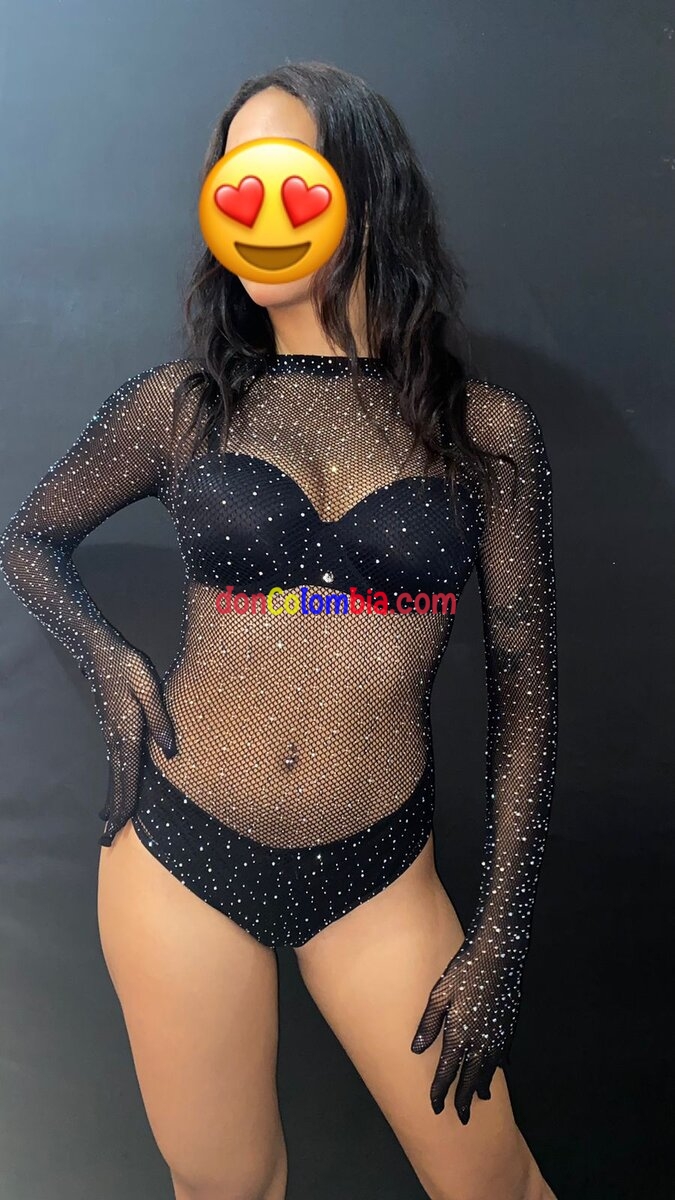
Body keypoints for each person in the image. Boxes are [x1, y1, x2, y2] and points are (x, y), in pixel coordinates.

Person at [0, 61, 558, 1200]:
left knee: (492, 1187)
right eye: (233, 182)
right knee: (228, 1189)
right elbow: (28, 539)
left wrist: (501, 936)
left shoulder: (485, 432)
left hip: (377, 874)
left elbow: (525, 686)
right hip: (180, 851)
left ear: (364, 187)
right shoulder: (182, 406)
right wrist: (108, 660)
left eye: (286, 175)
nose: (255, 208)